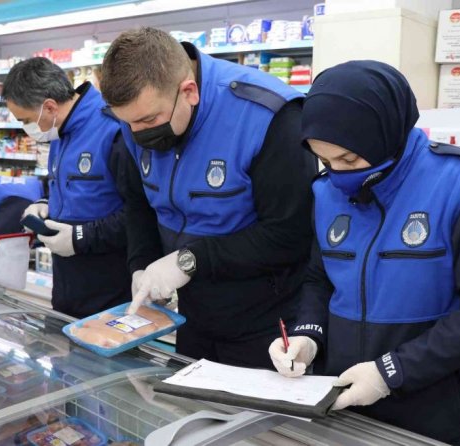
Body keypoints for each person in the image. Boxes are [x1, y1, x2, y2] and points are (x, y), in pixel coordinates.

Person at [268, 60, 460, 445]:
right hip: (346, 406)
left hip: (441, 416)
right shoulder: (325, 192)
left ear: (385, 135)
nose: (338, 174)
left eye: (348, 160)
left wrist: (392, 372)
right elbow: (320, 278)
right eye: (325, 161)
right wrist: (308, 335)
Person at [100, 27, 317, 369]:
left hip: (265, 321)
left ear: (189, 91)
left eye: (148, 120)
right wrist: (141, 265)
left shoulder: (268, 117)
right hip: (193, 315)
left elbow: (290, 235)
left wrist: (190, 260)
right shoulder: (136, 120)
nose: (137, 135)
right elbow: (138, 203)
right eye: (127, 124)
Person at [2, 57, 131, 318]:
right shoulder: (59, 131)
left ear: (49, 107)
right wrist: (45, 205)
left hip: (110, 288)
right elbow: (76, 192)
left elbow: (139, 213)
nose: (26, 129)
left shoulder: (114, 129)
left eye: (26, 120)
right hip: (67, 284)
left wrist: (80, 238)